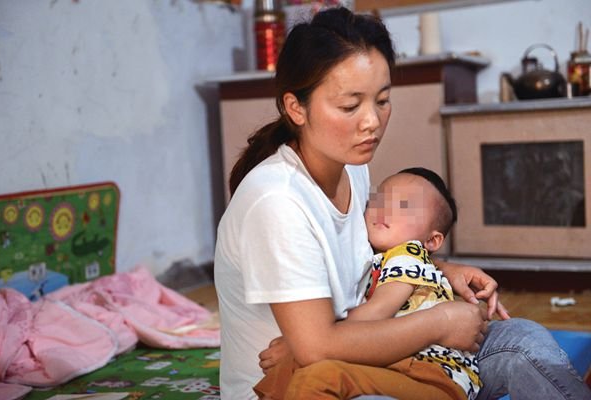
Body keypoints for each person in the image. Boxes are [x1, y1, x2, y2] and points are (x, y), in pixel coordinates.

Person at [214, 6, 591, 400]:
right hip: (305, 383)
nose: (372, 121)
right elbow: (315, 348)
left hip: (373, 353)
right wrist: (440, 321)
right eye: (349, 106)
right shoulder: (277, 201)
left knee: (522, 341)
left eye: (382, 100)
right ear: (296, 108)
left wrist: (444, 269)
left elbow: (370, 254)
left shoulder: (351, 167)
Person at [254, 167, 481, 400]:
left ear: (432, 240)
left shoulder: (409, 253)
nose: (385, 210)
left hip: (430, 375)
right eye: (380, 200)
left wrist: (300, 343)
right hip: (396, 367)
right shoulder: (375, 255)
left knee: (320, 376)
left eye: (404, 206)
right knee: (298, 375)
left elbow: (377, 311)